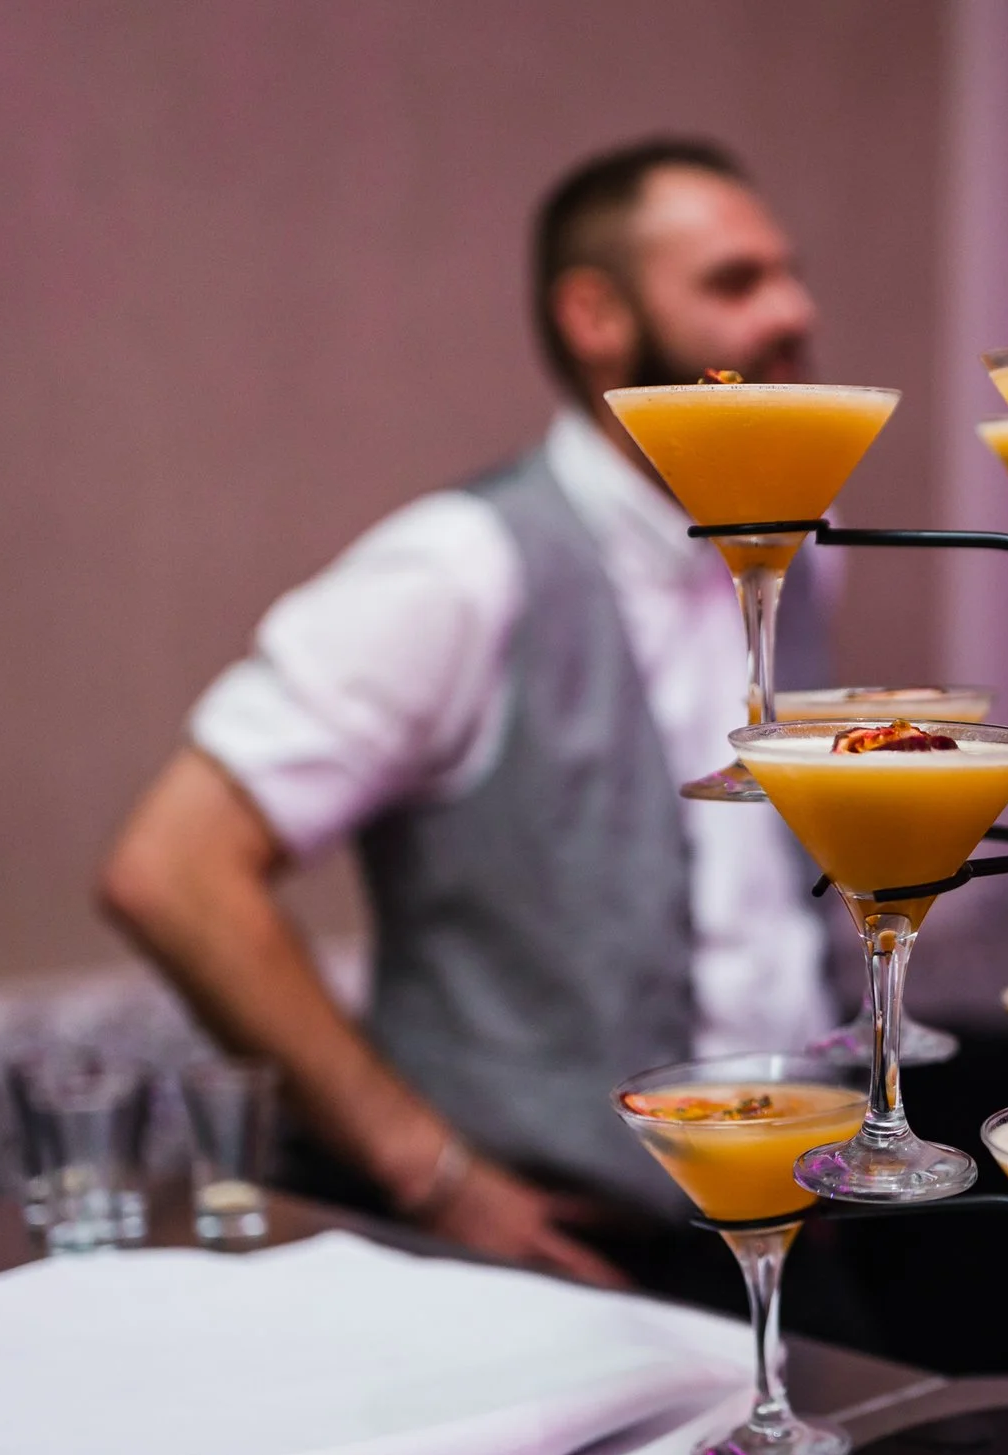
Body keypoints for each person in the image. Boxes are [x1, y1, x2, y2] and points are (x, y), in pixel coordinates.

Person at [99, 138, 839, 1289]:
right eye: (734, 282)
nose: (793, 311)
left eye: (788, 274)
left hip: (796, 1217)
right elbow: (172, 871)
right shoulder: (461, 568)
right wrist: (432, 1174)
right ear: (597, 316)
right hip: (561, 1250)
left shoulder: (801, 556)